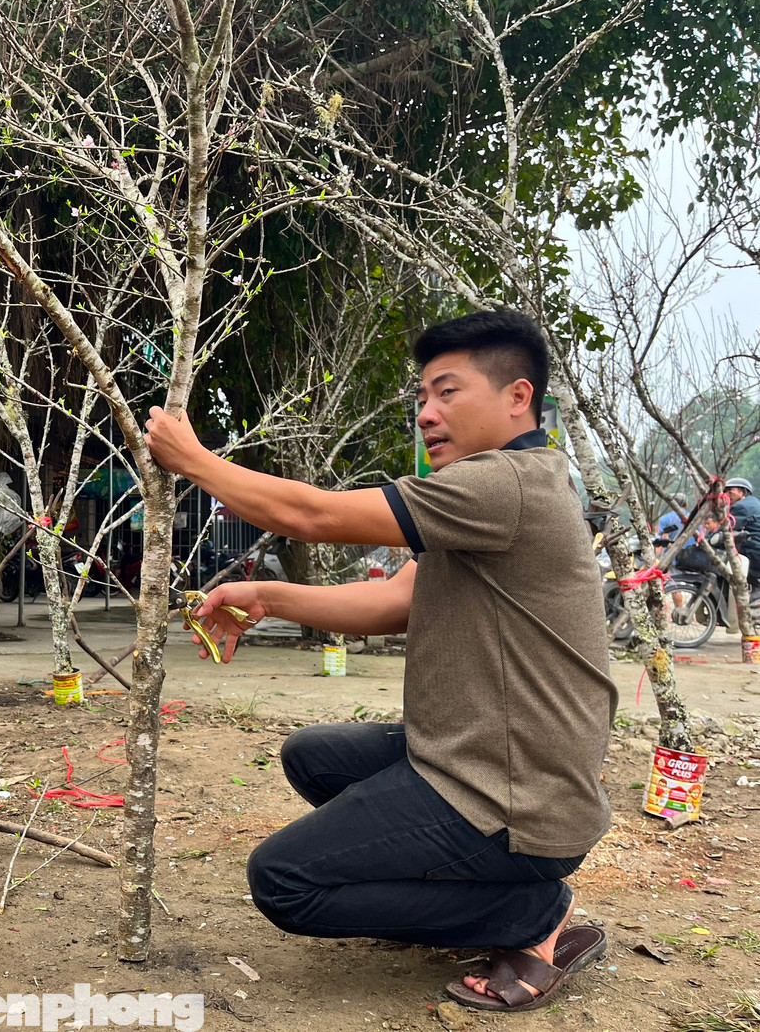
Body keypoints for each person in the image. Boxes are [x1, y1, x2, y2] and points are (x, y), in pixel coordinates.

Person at [145, 310, 616, 1013]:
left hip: (516, 797)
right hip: (486, 761)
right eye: (422, 397)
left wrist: (194, 460)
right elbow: (394, 601)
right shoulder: (492, 489)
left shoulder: (509, 483)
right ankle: (464, 894)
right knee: (315, 756)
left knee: (282, 880)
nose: (427, 413)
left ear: (518, 397)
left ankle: (528, 913)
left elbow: (316, 517)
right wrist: (267, 596)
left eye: (447, 392)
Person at [722, 477, 760, 589]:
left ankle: (755, 590)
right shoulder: (753, 502)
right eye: (725, 491)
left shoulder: (741, 506)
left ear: (742, 491)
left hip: (755, 553)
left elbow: (728, 529)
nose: (727, 494)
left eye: (730, 490)